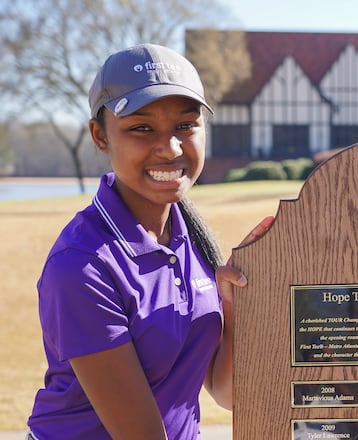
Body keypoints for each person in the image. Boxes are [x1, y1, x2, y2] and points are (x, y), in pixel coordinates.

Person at [26, 44, 272, 439]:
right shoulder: (82, 266)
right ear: (100, 136)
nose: (170, 147)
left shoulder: (191, 234)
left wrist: (234, 307)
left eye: (185, 125)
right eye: (142, 128)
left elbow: (226, 392)